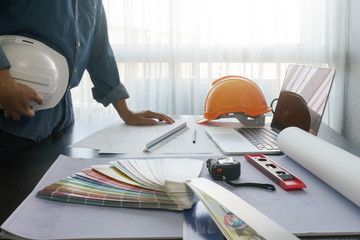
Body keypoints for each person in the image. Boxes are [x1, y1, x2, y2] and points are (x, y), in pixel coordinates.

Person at [0, 0, 174, 151]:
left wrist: (126, 113)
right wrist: (4, 83)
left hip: (61, 123)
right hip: (8, 125)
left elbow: (100, 53)